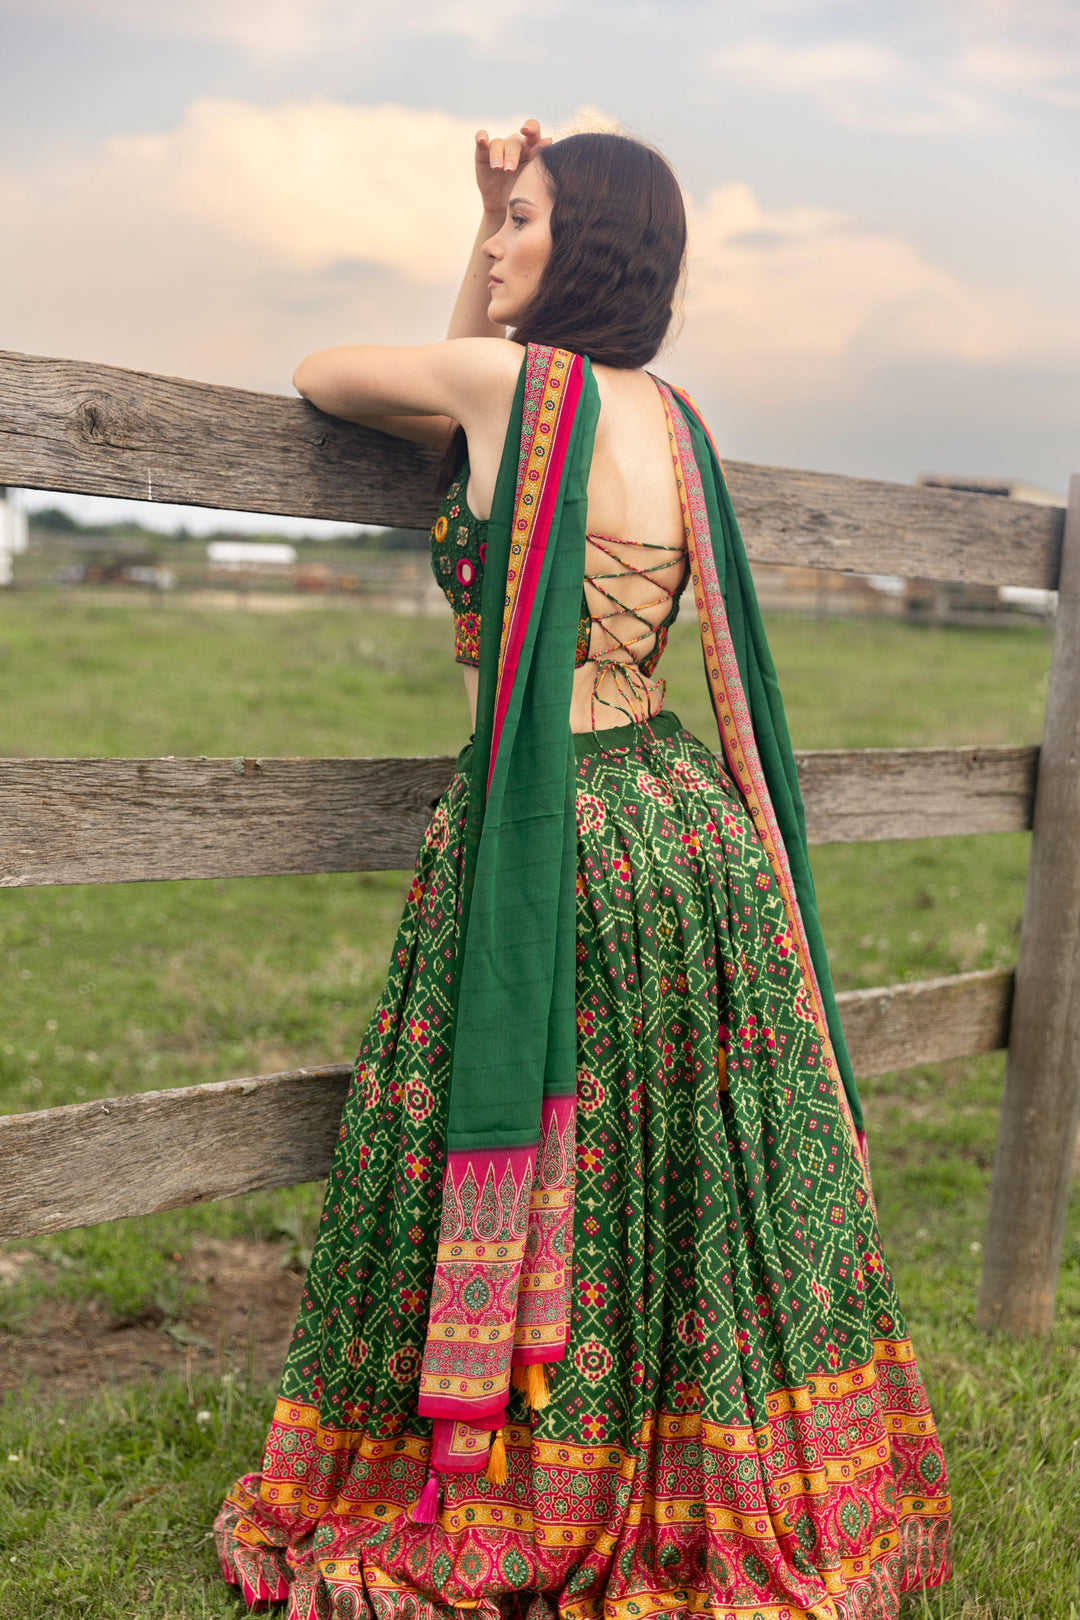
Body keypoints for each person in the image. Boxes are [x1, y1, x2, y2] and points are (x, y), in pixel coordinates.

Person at [216, 121, 951, 1620]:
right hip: (683, 826)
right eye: (496, 225)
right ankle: (660, 1448)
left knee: (542, 1148)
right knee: (656, 1162)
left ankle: (529, 1470)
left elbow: (329, 375)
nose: (496, 249)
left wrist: (470, 252)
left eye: (523, 222)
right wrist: (491, 213)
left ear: (586, 245)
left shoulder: (505, 385)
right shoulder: (678, 424)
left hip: (549, 834)